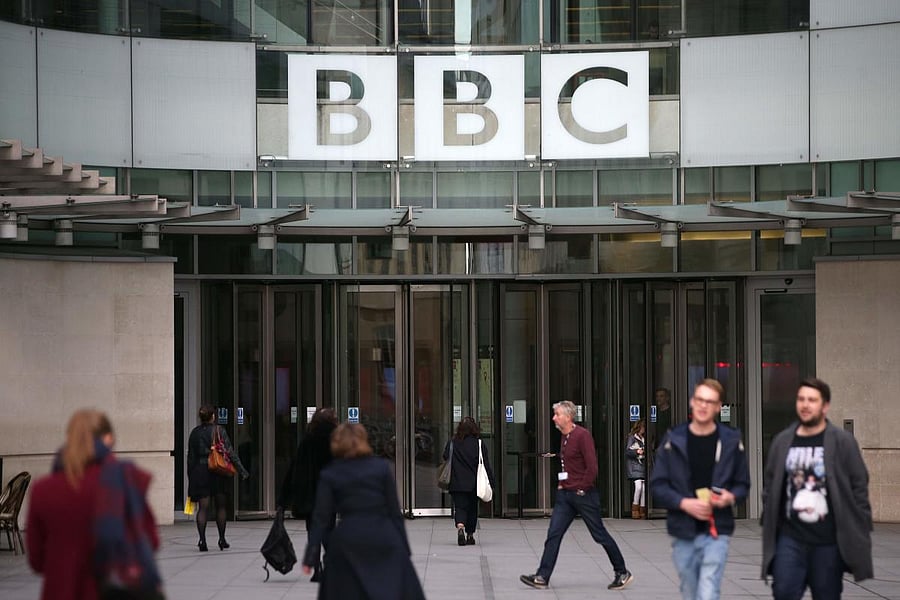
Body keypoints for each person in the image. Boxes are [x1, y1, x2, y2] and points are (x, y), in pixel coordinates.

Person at [26, 409, 163, 600]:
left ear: (69, 439)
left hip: (60, 592)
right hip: (112, 591)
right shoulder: (123, 481)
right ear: (108, 439)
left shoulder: (43, 490)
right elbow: (151, 541)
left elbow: (37, 561)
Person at [761, 377, 873, 598]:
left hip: (828, 542)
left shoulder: (842, 441)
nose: (805, 404)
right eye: (801, 399)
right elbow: (771, 482)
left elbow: (859, 483)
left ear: (825, 406)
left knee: (826, 594)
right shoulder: (783, 441)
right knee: (783, 591)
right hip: (790, 538)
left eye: (812, 400)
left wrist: (860, 524)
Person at [651, 378, 751, 600]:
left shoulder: (731, 440)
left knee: (708, 589)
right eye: (700, 399)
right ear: (691, 402)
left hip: (717, 529)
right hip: (683, 528)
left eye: (710, 401)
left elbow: (743, 484)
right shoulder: (673, 439)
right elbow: (657, 484)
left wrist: (729, 497)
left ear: (718, 407)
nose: (704, 405)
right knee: (690, 589)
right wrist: (684, 503)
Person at [520, 401, 634, 591]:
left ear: (568, 416)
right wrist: (561, 484)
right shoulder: (564, 436)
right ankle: (542, 576)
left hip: (584, 495)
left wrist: (582, 487)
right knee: (553, 534)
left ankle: (621, 571)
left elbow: (592, 467)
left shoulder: (582, 436)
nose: (553, 418)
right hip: (565, 496)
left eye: (557, 414)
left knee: (599, 535)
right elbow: (567, 465)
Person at [302, 423, 426, 599]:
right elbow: (394, 512)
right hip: (382, 535)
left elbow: (321, 517)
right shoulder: (381, 468)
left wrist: (311, 555)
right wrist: (404, 548)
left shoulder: (331, 474)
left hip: (347, 538)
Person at [279, 407, 338, 581]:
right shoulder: (336, 440)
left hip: (311, 494)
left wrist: (284, 499)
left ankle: (316, 569)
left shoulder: (307, 440)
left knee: (313, 532)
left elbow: (294, 469)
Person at [187, 404, 249, 552]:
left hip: (200, 472)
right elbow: (230, 452)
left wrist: (191, 476)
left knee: (203, 508)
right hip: (217, 471)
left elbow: (191, 457)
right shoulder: (219, 430)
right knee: (221, 506)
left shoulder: (194, 433)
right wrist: (241, 470)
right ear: (213, 416)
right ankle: (222, 539)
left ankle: (202, 540)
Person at [442, 416, 495, 546]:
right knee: (472, 508)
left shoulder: (453, 442)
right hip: (473, 483)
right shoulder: (479, 444)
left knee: (460, 507)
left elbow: (445, 457)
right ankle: (470, 534)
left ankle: (460, 527)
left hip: (456, 482)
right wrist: (492, 482)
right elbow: (486, 465)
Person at [625, 420, 647, 519]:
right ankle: (635, 509)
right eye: (642, 427)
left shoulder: (643, 438)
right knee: (638, 487)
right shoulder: (632, 438)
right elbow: (628, 451)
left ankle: (642, 510)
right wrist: (637, 451)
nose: (644, 429)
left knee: (643, 488)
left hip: (642, 465)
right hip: (635, 465)